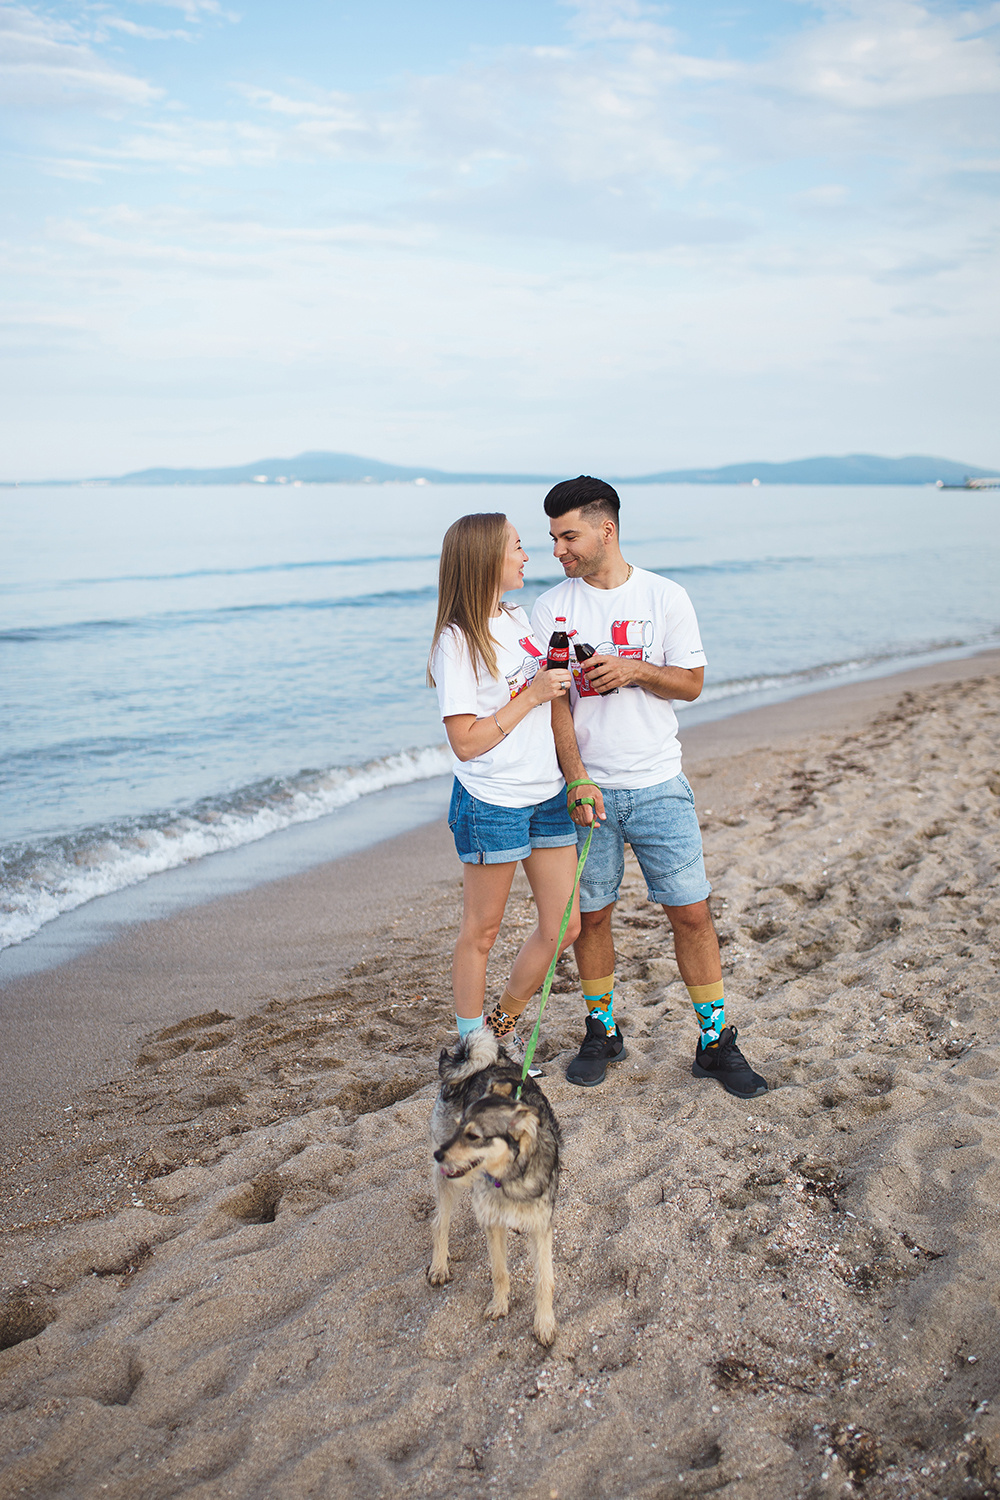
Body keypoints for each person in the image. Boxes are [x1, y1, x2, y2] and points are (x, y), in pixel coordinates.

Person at [530, 476, 768, 1098]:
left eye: (568, 537)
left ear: (605, 529)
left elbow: (691, 684)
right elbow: (554, 706)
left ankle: (713, 1042)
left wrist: (634, 670)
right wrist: (576, 778)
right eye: (552, 538)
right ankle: (602, 1031)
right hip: (589, 791)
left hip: (660, 783)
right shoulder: (550, 607)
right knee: (592, 916)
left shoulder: (665, 597)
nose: (557, 550)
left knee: (690, 912)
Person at [428, 512, 582, 1068]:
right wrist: (532, 694)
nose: (526, 556)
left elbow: (548, 688)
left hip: (547, 794)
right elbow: (465, 742)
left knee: (563, 926)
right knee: (482, 931)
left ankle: (500, 1028)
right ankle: (474, 1052)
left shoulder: (519, 618)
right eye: (517, 547)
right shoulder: (457, 641)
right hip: (491, 801)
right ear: (486, 559)